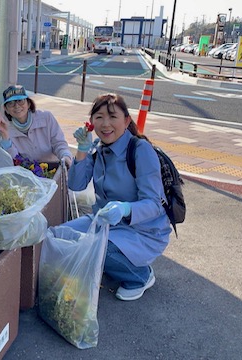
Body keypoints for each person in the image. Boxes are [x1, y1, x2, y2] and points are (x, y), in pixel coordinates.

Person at [64, 93, 171, 301]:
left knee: (96, 248)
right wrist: (82, 150)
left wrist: (125, 209)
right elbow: (75, 185)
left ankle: (140, 276)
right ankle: (109, 260)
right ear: (91, 122)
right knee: (60, 235)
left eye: (113, 117)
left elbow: (154, 204)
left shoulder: (140, 150)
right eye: (99, 117)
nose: (105, 124)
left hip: (143, 231)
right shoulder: (98, 149)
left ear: (126, 120)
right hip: (105, 222)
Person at [0, 84, 73, 167]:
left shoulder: (46, 118)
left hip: (53, 169)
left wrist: (65, 156)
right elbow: (13, 160)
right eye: (11, 103)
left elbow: (59, 143)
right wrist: (6, 138)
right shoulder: (6, 129)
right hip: (27, 173)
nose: (16, 106)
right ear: (6, 109)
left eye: (20, 101)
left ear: (28, 103)